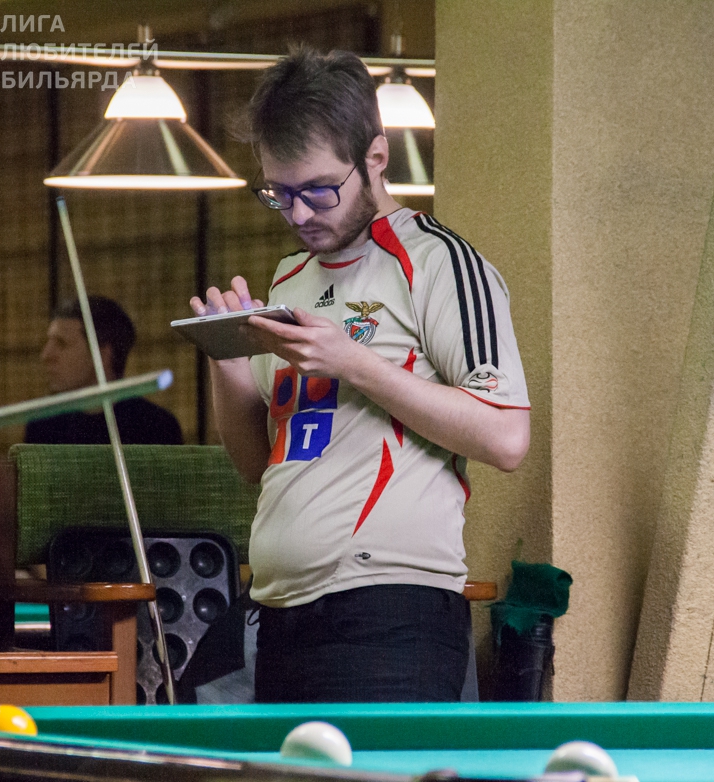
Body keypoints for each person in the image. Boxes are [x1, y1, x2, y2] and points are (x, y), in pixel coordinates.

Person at [190, 46, 530, 703]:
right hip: (280, 610)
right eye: (279, 193)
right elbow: (259, 463)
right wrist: (227, 364)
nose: (298, 214)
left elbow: (506, 437)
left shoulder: (438, 262)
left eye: (318, 190)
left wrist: (353, 362)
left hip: (390, 613)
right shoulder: (290, 278)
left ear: (375, 157)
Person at [25, 296, 184, 445]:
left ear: (101, 355)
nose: (46, 355)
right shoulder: (43, 425)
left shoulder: (155, 427)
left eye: (62, 343)